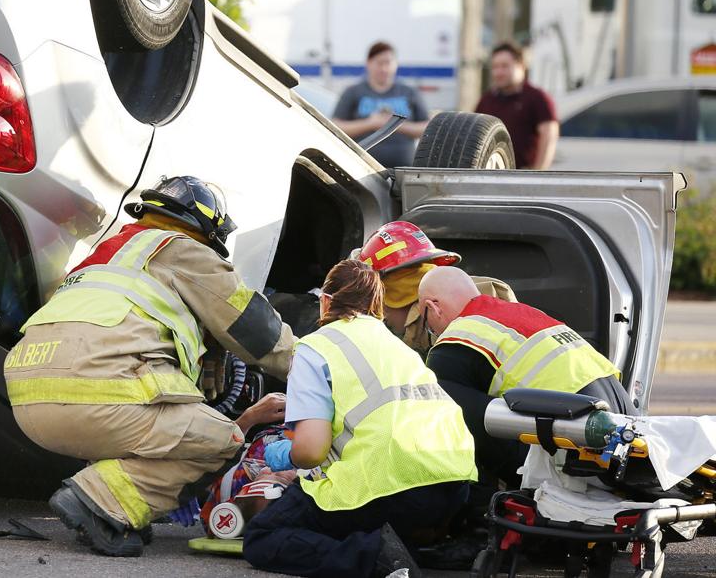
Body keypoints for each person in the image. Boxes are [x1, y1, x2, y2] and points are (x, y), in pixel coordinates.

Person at [3, 176, 295, 557]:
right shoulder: (185, 249)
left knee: (150, 428)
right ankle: (101, 500)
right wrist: (317, 368)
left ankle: (115, 512)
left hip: (27, 400)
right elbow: (257, 329)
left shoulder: (108, 252)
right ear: (208, 231)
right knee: (223, 440)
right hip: (99, 396)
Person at [242, 259, 476, 578]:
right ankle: (408, 547)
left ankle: (376, 557)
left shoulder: (316, 347)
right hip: (452, 486)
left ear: (326, 301)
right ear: (377, 305)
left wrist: (282, 454)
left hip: (391, 485)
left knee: (263, 537)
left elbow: (311, 450)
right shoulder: (400, 348)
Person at [418, 265, 631, 486]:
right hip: (623, 424)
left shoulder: (454, 341)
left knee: (441, 394)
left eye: (427, 325)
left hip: (581, 444)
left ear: (433, 307)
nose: (432, 333)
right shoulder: (523, 311)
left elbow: (457, 428)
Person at [358, 221, 515, 356]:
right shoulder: (480, 290)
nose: (381, 316)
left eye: (381, 306)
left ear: (395, 296)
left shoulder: (446, 328)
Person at [332, 41, 430, 168]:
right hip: (362, 169)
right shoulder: (353, 92)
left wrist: (394, 124)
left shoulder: (409, 92)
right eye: (379, 63)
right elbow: (336, 126)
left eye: (388, 63)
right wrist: (370, 123)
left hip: (403, 169)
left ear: (396, 64)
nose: (384, 69)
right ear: (368, 63)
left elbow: (426, 128)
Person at [474, 42, 559, 170]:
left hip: (524, 174)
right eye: (495, 67)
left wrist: (538, 173)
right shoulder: (486, 100)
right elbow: (475, 136)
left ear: (521, 66)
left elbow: (549, 136)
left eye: (505, 66)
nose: (499, 72)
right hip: (492, 175)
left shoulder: (538, 98)